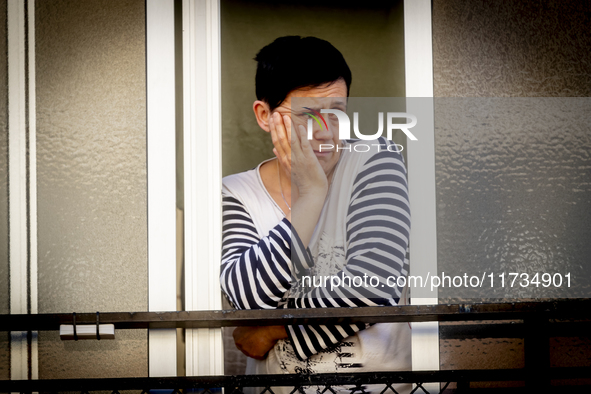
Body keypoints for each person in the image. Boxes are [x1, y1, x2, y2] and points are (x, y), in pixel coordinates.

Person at [220, 36, 411, 393]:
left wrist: (275, 328)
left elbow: (371, 289)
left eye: (337, 113)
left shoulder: (375, 160)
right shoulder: (236, 192)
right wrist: (310, 195)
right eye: (308, 115)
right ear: (265, 116)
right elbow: (246, 299)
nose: (326, 132)